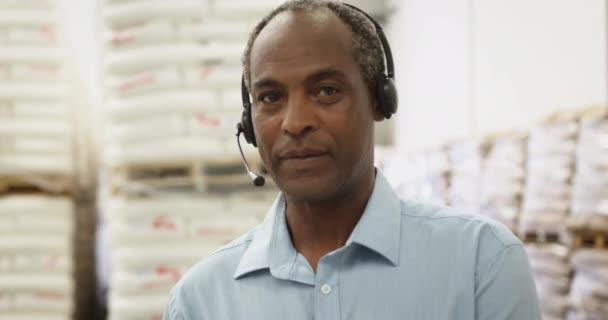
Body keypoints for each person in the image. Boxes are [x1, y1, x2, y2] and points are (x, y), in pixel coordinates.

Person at [163, 1, 542, 319]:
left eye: (326, 91)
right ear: (248, 124)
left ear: (380, 101)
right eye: (270, 98)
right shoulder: (201, 299)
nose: (295, 123)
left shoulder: (481, 262)